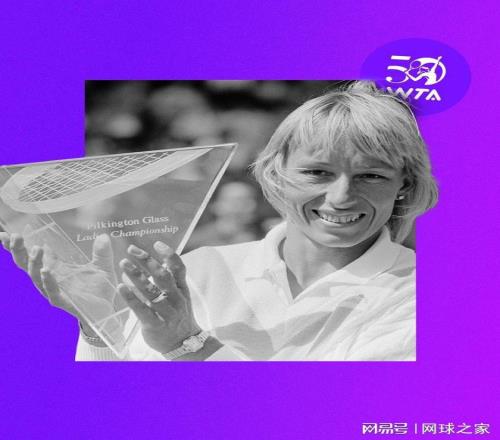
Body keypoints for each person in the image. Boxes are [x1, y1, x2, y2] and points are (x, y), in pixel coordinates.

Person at [0, 81, 438, 361]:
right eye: (317, 173)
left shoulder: (427, 299)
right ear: (276, 172)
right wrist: (102, 325)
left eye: (371, 176)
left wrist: (187, 343)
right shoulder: (201, 267)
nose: (341, 197)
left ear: (404, 184)